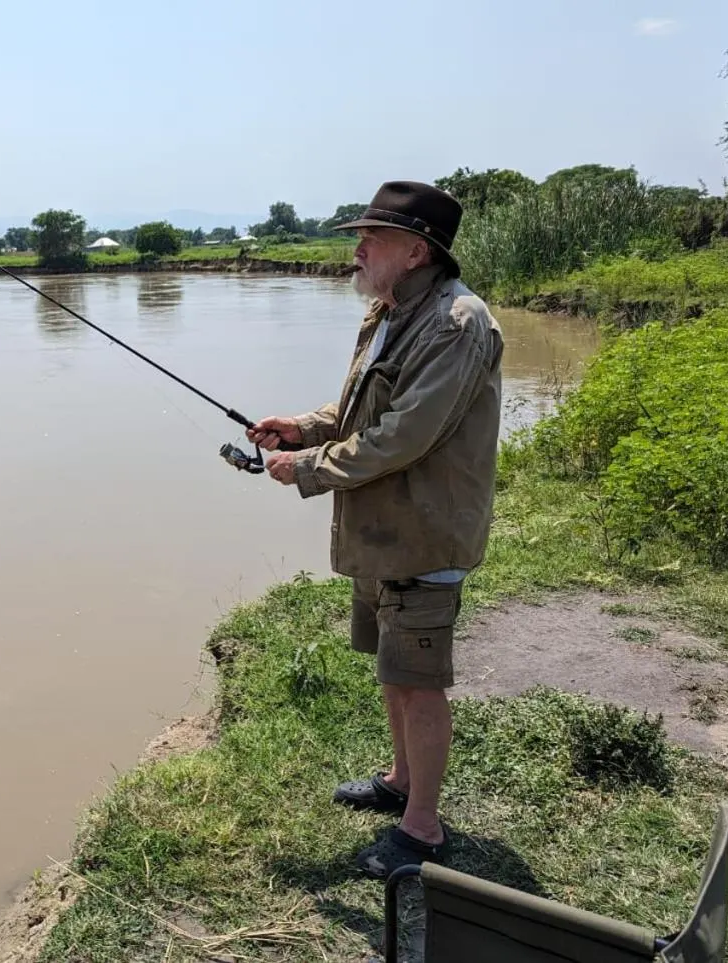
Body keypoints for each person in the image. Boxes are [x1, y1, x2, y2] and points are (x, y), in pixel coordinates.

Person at [246, 181, 504, 880]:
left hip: (424, 533)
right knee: (394, 670)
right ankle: (397, 781)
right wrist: (300, 426)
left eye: (370, 238)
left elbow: (403, 436)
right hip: (381, 532)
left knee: (420, 683)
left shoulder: (458, 324)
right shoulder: (384, 312)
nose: (356, 249)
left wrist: (305, 465)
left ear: (415, 250)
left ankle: (421, 827)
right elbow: (360, 408)